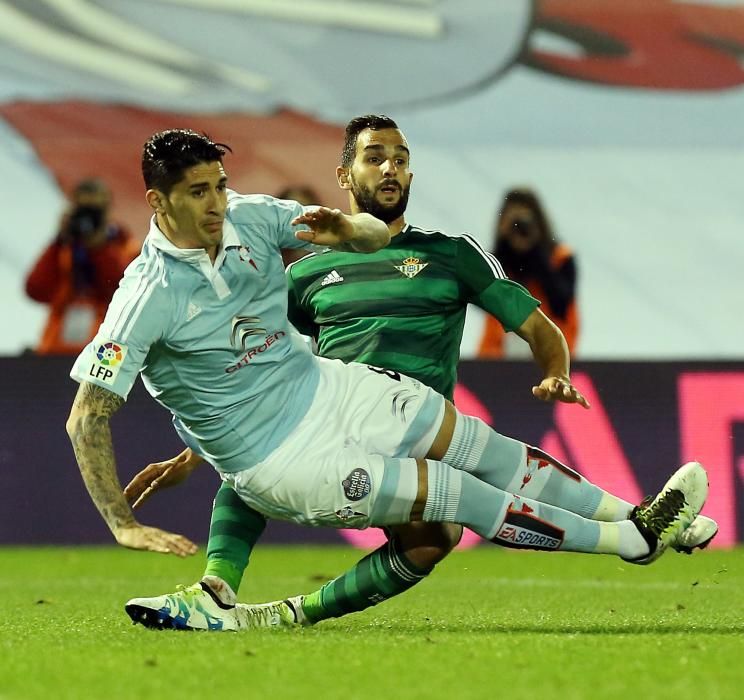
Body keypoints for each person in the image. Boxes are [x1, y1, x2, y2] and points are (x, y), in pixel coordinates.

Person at [67, 126, 710, 636]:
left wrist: (352, 229)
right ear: (157, 201)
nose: (216, 204)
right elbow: (86, 416)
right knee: (454, 499)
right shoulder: (143, 297)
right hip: (283, 457)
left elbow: (357, 231)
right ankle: (632, 540)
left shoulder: (250, 216)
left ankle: (645, 521)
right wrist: (121, 524)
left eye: (219, 185)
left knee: (482, 448)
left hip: (330, 387)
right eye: (198, 193)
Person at [26, 178, 138, 354]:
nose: (88, 218)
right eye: (82, 211)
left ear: (108, 210)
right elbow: (36, 290)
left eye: (95, 212)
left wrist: (99, 247)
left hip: (107, 351)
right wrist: (58, 240)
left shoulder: (126, 245)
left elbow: (121, 289)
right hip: (57, 350)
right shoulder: (64, 247)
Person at [478, 188, 578, 358]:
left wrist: (535, 251)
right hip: (497, 354)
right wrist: (504, 246)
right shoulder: (496, 260)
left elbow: (562, 303)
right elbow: (480, 296)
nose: (520, 229)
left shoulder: (560, 257)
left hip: (551, 354)